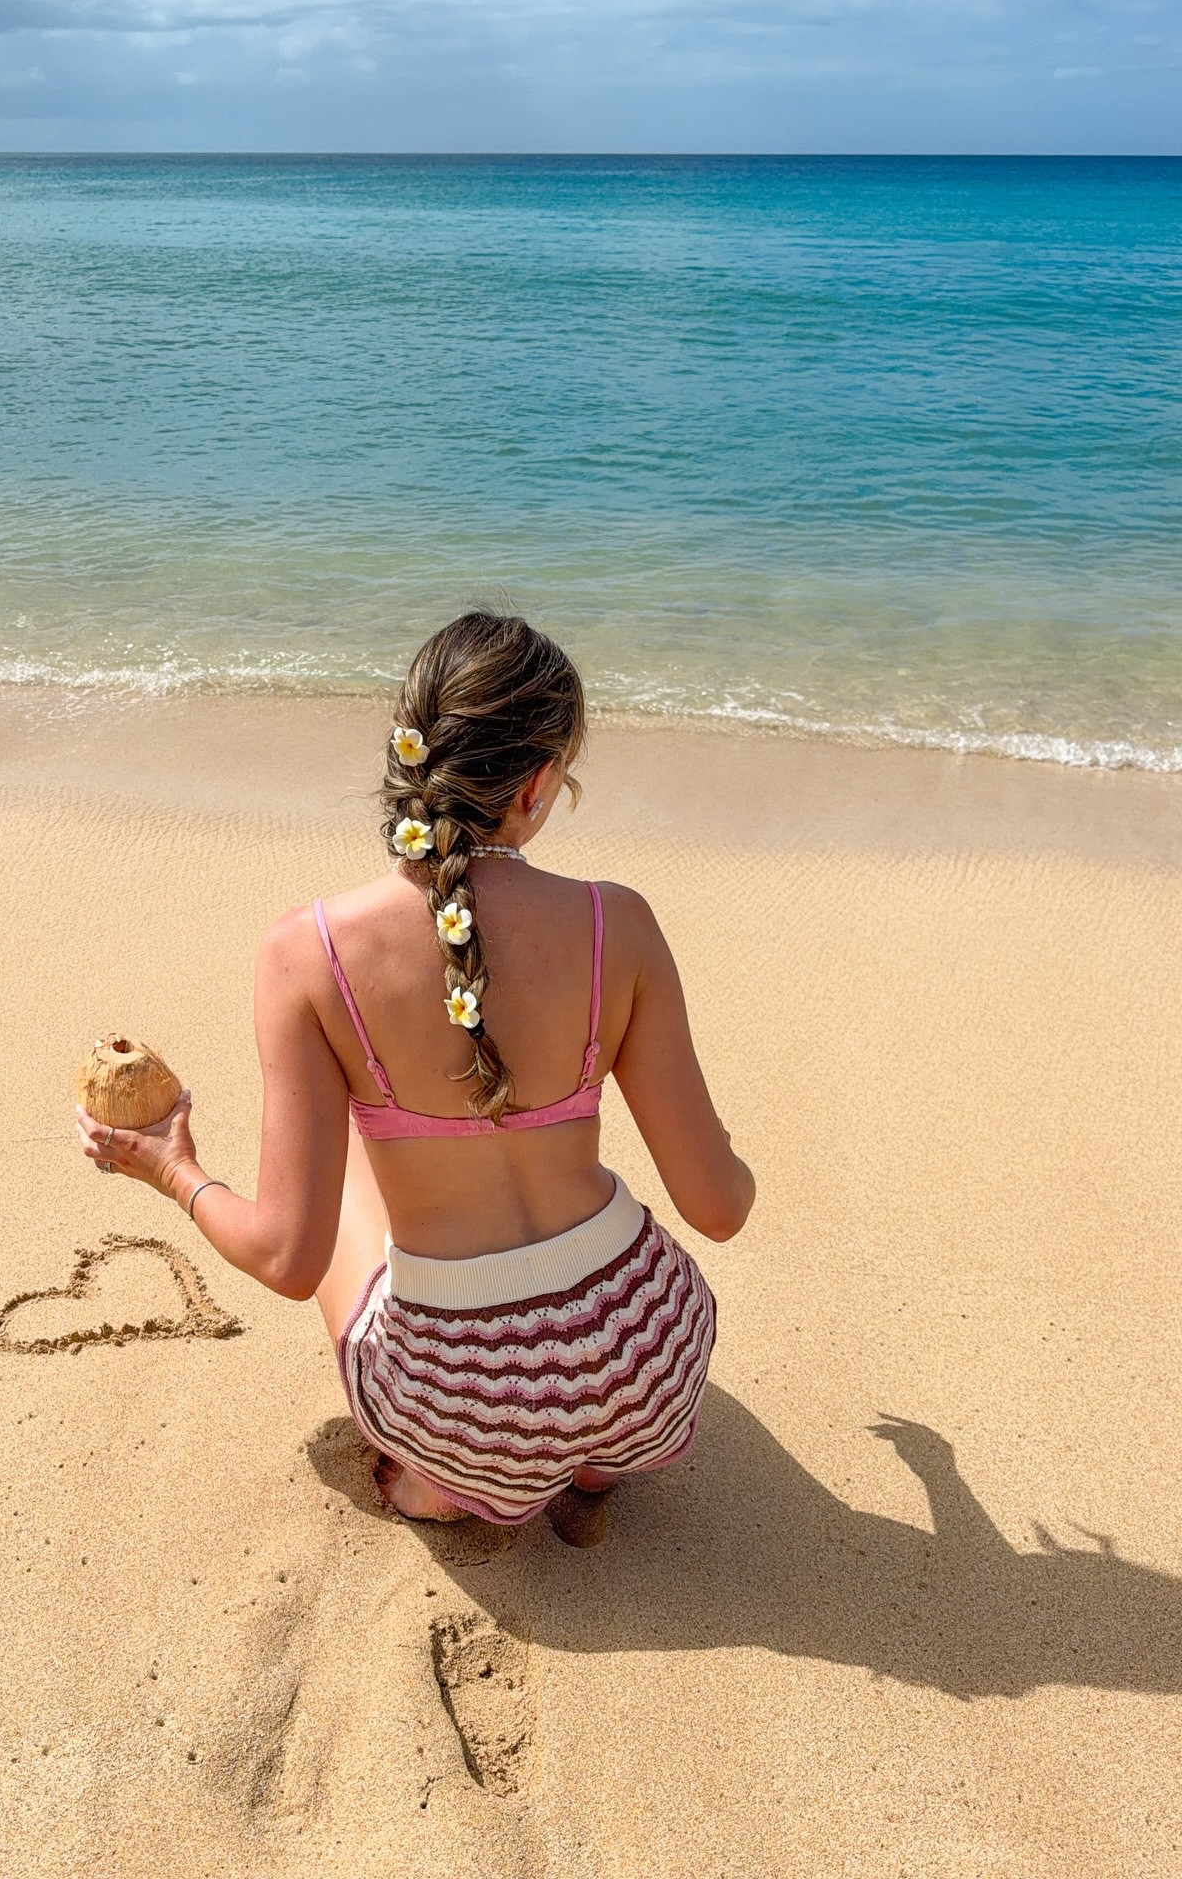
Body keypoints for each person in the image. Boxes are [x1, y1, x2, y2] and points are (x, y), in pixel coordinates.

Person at [77, 612, 754, 1536]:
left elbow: (287, 1256)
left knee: (357, 1152)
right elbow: (720, 1208)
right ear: (541, 781)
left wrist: (172, 1168)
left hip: (464, 1406)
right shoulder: (617, 925)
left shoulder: (304, 954)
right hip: (649, 1359)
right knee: (594, 1294)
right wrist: (724, 1151)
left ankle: (446, 1481)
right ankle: (596, 1464)